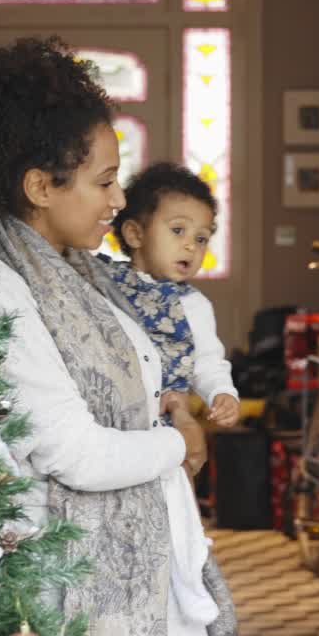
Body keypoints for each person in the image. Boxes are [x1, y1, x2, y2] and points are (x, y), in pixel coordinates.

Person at [0, 36, 235, 636]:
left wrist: (170, 404)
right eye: (104, 182)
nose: (120, 200)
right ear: (40, 187)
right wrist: (181, 443)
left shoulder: (84, 271)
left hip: (141, 559)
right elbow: (71, 451)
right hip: (68, 582)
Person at [102, 162, 241, 433]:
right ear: (135, 234)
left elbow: (208, 362)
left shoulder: (193, 305)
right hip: (109, 424)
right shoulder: (102, 282)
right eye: (178, 230)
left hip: (164, 426)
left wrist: (222, 392)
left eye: (201, 238)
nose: (191, 245)